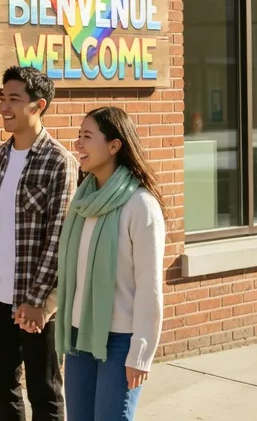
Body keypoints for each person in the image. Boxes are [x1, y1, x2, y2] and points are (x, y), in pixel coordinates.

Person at [0, 66, 77, 421]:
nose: (4, 106)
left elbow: (58, 237)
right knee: (0, 386)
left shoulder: (59, 161)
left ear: (38, 105)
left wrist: (37, 301)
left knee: (44, 392)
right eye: (2, 98)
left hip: (37, 303)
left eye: (14, 99)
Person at [53, 107, 164, 421]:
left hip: (120, 342)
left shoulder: (140, 205)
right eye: (78, 136)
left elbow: (149, 286)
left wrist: (141, 353)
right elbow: (71, 271)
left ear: (114, 145)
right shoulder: (82, 201)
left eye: (87, 137)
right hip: (79, 335)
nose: (78, 144)